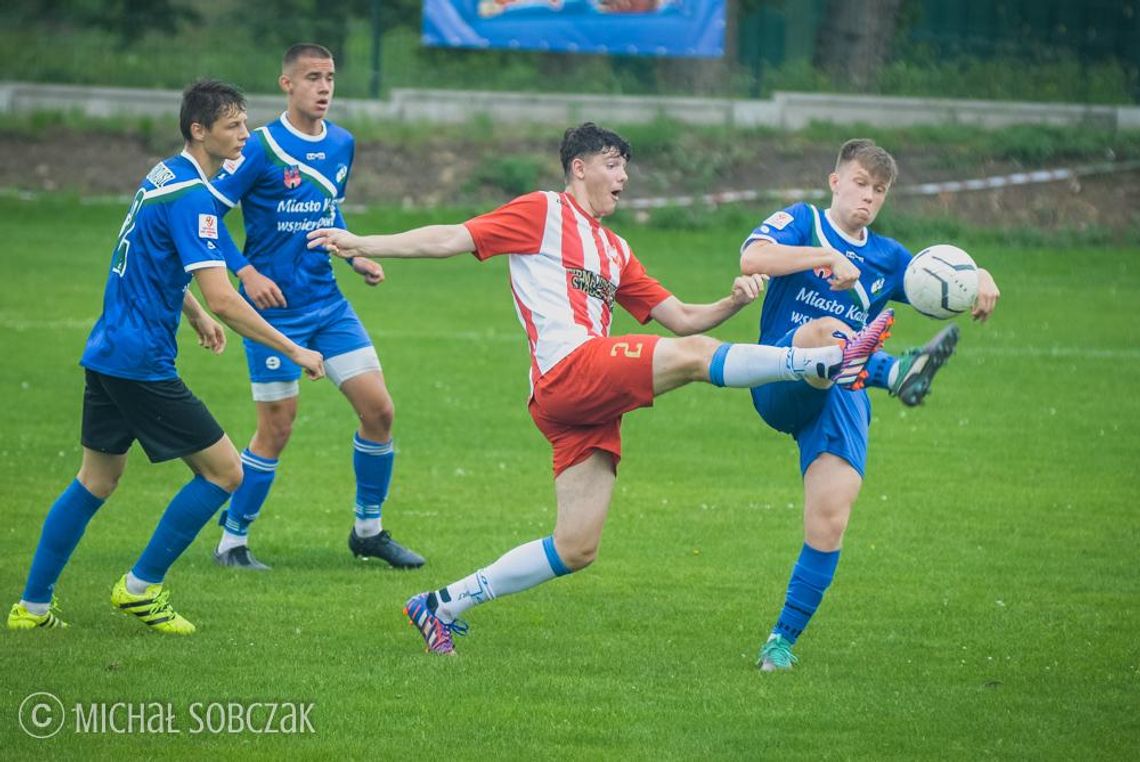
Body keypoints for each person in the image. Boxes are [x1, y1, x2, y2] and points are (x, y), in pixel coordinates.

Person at [306, 122, 894, 655]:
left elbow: (683, 318)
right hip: (569, 368)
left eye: (626, 167)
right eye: (613, 164)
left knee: (576, 546)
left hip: (582, 403)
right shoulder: (541, 211)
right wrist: (363, 242)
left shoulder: (615, 250)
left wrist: (729, 302)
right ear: (580, 167)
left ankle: (441, 605)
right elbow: (449, 238)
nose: (624, 177)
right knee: (695, 361)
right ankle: (830, 359)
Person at [7, 80, 325, 635]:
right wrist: (294, 347)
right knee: (227, 473)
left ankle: (31, 607)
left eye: (246, 123)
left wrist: (193, 314)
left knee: (95, 481)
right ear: (199, 131)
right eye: (233, 126)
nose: (245, 135)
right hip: (140, 362)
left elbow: (153, 260)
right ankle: (141, 587)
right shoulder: (194, 197)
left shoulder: (163, 175)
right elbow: (227, 297)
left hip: (108, 351)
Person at [738, 138, 1001, 671]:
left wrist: (981, 278)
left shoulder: (887, 258)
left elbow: (937, 280)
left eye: (878, 191)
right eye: (860, 184)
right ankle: (894, 370)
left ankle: (780, 643)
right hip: (779, 376)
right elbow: (752, 256)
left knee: (830, 519)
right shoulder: (802, 222)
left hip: (841, 393)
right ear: (835, 181)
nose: (868, 197)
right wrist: (827, 257)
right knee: (830, 331)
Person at [209, 43, 423, 571]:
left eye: (329, 77)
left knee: (380, 411)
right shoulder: (257, 147)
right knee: (277, 427)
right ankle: (231, 541)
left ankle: (368, 531)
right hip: (273, 312)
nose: (324, 87)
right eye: (312, 77)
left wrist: (354, 254)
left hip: (327, 304)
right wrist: (246, 271)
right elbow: (205, 217)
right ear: (287, 84)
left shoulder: (343, 144)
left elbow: (328, 212)